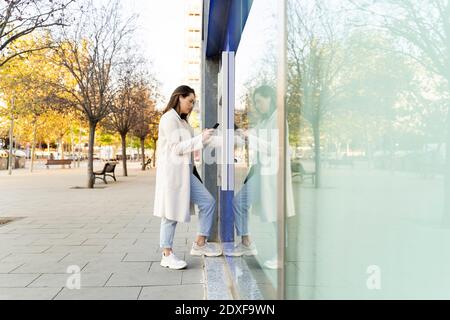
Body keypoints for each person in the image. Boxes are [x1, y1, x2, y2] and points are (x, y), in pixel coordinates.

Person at [227, 85, 296, 269]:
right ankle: (247, 242)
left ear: (270, 98)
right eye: (255, 103)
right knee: (240, 202)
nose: (257, 106)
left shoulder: (278, 120)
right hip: (260, 174)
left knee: (276, 216)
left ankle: (281, 256)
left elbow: (276, 149)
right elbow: (251, 136)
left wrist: (253, 139)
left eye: (259, 101)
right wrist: (241, 135)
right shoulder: (265, 122)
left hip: (272, 176)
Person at [153, 85, 222, 270]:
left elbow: (192, 145)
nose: (192, 105)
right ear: (179, 97)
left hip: (187, 174)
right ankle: (166, 254)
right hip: (173, 175)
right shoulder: (168, 118)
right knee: (170, 214)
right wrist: (200, 138)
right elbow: (176, 147)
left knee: (208, 202)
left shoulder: (184, 123)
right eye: (190, 101)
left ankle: (200, 244)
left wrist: (209, 138)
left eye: (193, 102)